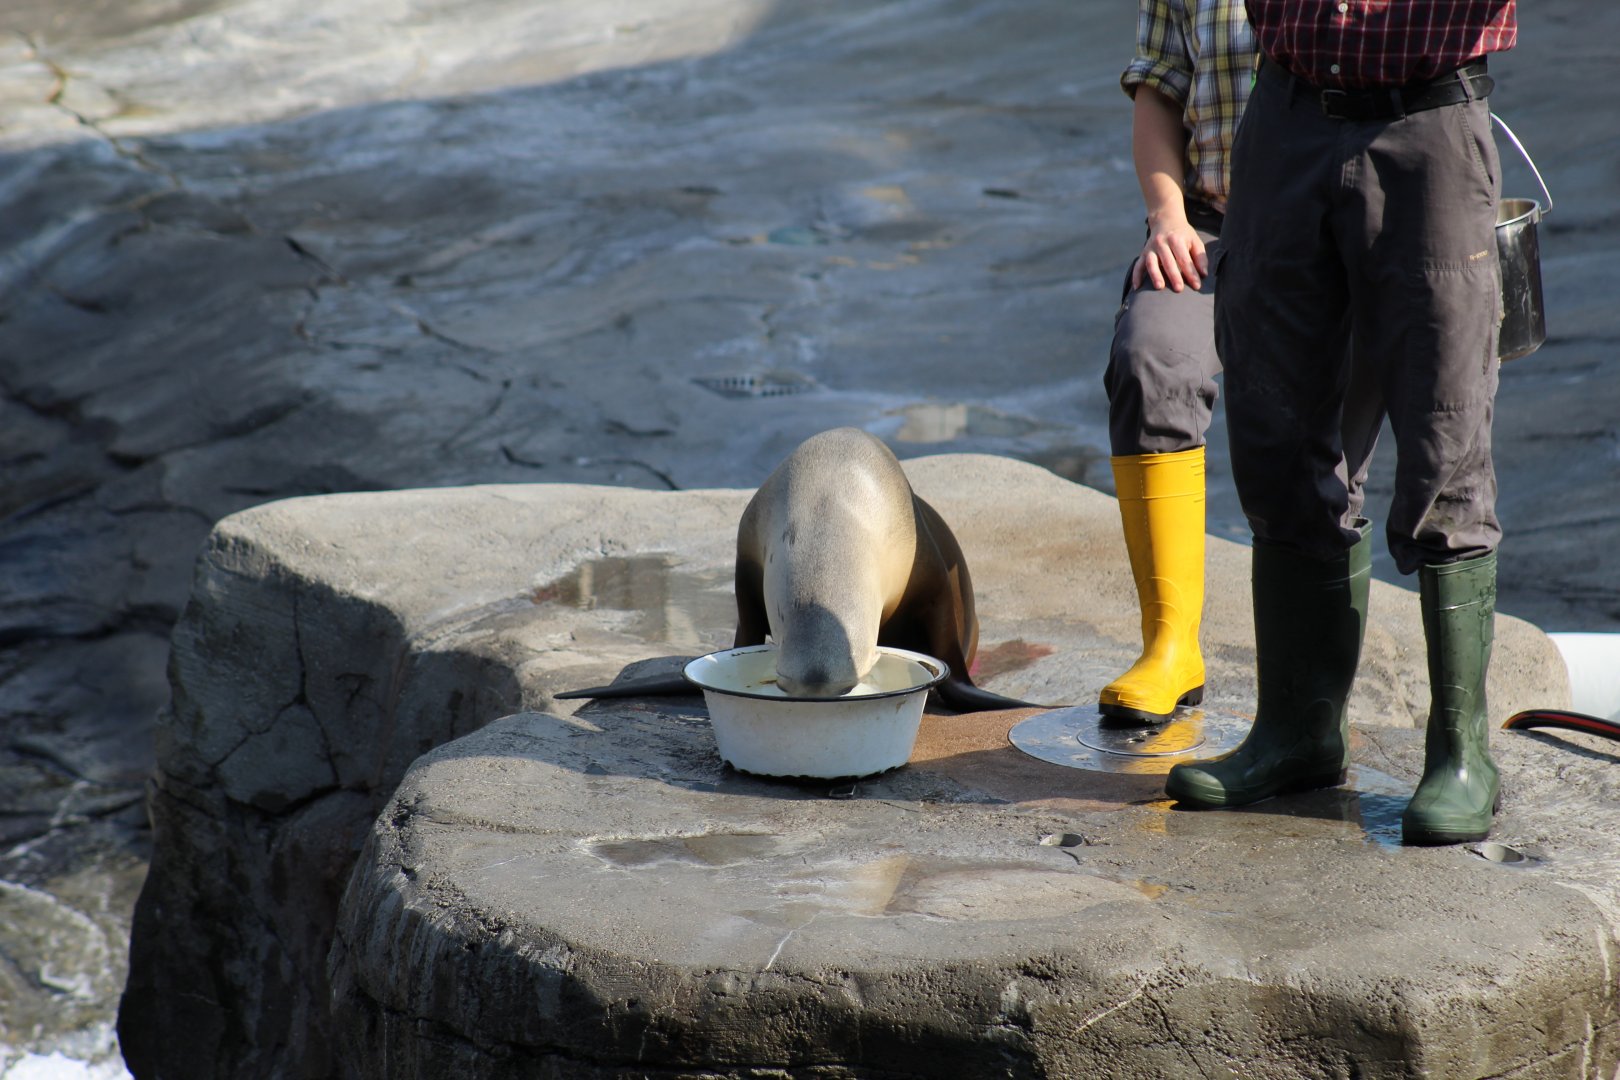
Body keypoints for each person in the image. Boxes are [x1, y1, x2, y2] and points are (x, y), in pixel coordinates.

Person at [1164, 2, 1517, 847]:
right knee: (1275, 428)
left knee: (1444, 433)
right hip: (1285, 117)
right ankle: (1299, 731)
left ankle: (1461, 754)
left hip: (1428, 122)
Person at [1098, 0, 1256, 724]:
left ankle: (1313, 698)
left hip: (1327, 225)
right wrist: (1167, 217)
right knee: (1149, 358)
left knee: (1321, 432)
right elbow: (1159, 86)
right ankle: (1169, 646)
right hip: (1207, 225)